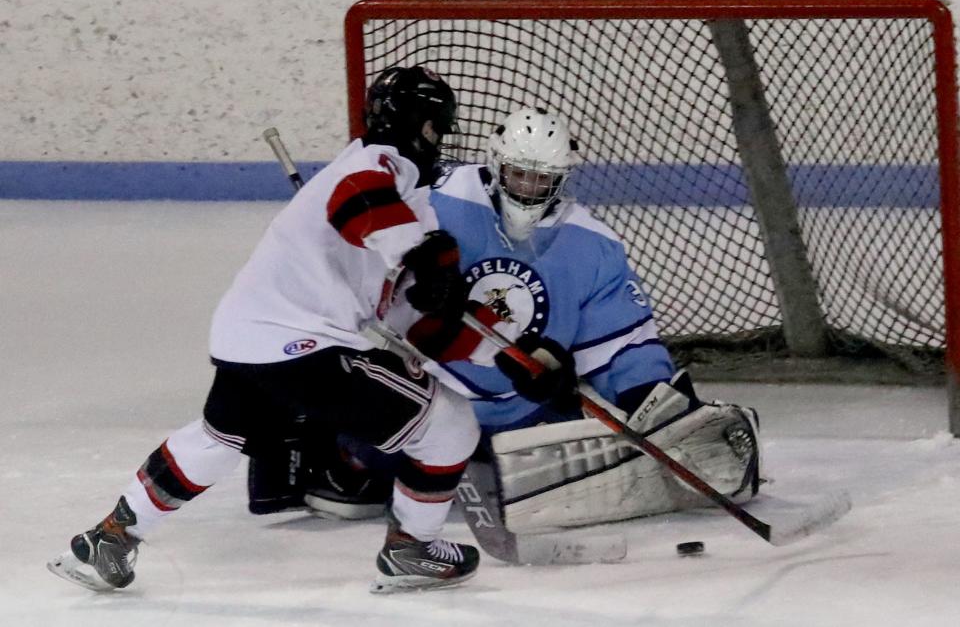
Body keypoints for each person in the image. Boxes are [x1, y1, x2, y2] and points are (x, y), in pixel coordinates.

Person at [47, 65, 485, 594]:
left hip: (246, 337)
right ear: (423, 125)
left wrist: (512, 364)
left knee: (216, 440)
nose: (438, 141)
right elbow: (359, 199)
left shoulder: (407, 201)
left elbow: (408, 317)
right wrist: (421, 256)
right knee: (451, 424)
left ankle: (110, 538)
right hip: (302, 345)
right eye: (437, 127)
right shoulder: (376, 166)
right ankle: (411, 548)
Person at [255, 107, 763, 534]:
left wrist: (656, 402)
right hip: (426, 395)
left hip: (523, 414)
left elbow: (622, 342)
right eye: (520, 174)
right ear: (497, 166)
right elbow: (362, 259)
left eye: (542, 179)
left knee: (598, 447)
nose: (528, 188)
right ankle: (334, 450)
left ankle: (471, 460)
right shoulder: (436, 200)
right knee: (360, 460)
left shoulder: (593, 246)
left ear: (562, 179)